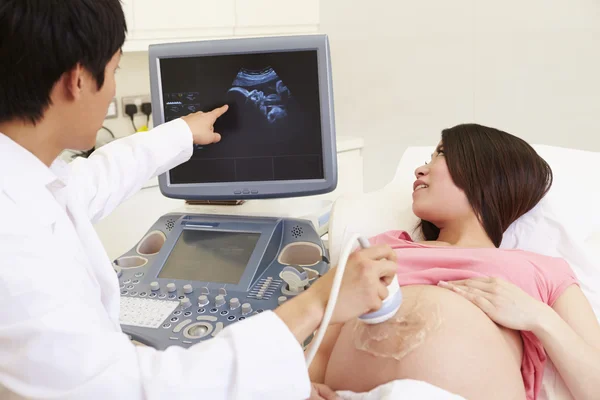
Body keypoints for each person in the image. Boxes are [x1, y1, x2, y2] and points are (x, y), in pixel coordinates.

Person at [0, 1, 398, 399]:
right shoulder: (13, 243)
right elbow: (128, 389)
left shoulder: (28, 179)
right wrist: (317, 303)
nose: (114, 88)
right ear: (79, 80)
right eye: (114, 69)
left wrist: (180, 133)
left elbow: (90, 180)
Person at [308, 124, 600, 400]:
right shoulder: (379, 247)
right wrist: (305, 387)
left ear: (487, 171)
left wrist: (538, 317)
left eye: (441, 154)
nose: (420, 169)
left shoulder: (543, 270)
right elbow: (321, 347)